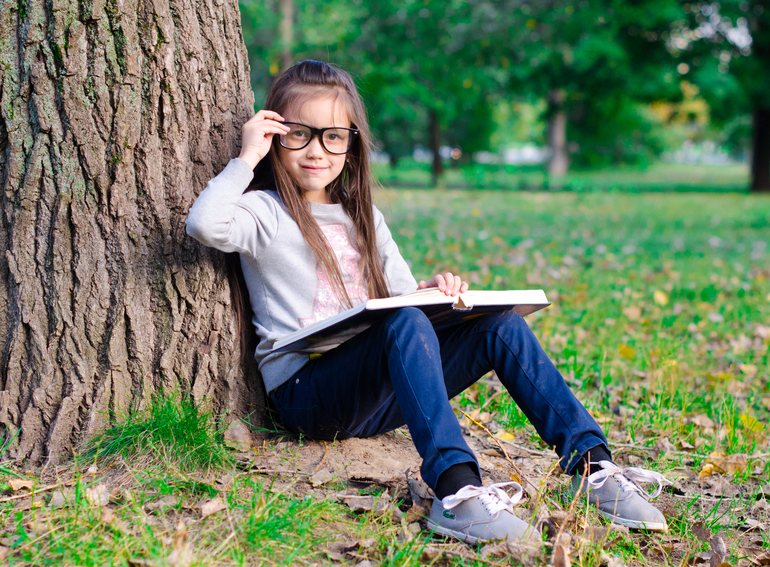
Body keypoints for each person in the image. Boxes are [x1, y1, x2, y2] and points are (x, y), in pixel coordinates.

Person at [186, 60, 669, 544]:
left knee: (499, 325)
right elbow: (204, 224)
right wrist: (246, 158)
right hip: (307, 395)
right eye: (299, 134)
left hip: (375, 394)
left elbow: (399, 301)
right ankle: (457, 492)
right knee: (406, 324)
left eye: (334, 135)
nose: (318, 150)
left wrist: (436, 293)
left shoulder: (365, 218)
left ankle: (592, 467)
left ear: (352, 144)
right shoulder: (265, 210)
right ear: (275, 136)